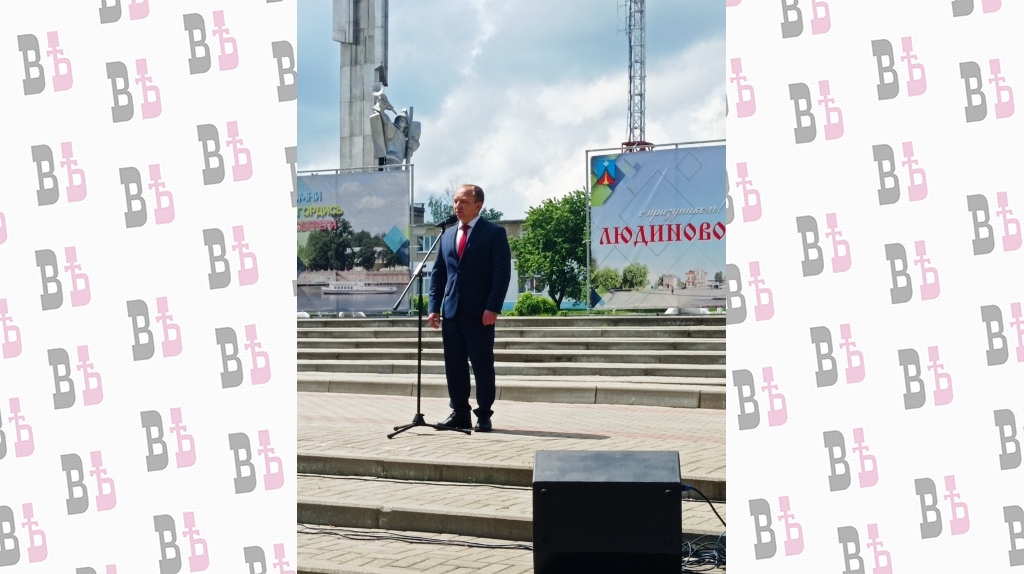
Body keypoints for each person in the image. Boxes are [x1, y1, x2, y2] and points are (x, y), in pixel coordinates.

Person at [427, 184, 512, 432]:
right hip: (452, 311)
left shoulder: (493, 233)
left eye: (463, 201)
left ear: (478, 205)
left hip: (480, 313)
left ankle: (484, 414)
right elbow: (439, 274)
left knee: (482, 364)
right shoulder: (447, 235)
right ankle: (460, 412)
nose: (458, 206)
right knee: (454, 365)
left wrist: (493, 307)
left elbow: (501, 273)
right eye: (455, 201)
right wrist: (434, 307)